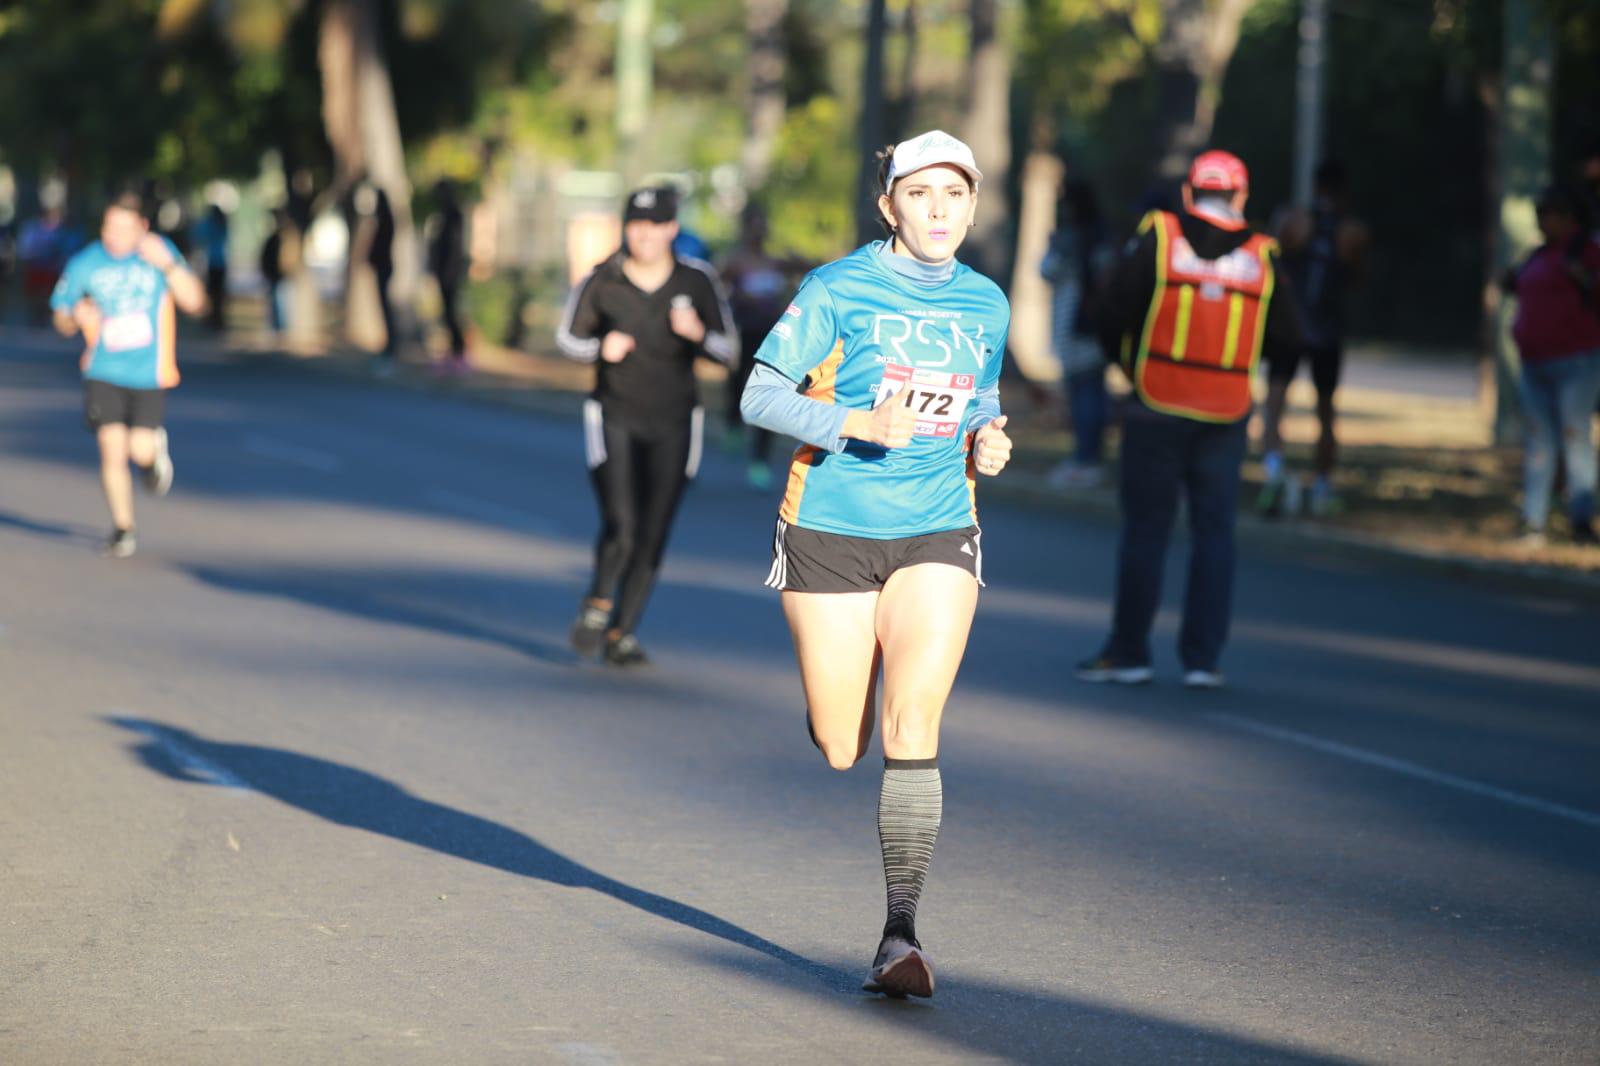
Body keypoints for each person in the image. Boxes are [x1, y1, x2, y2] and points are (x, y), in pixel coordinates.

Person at [740, 129, 1014, 999]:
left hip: (937, 527)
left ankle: (900, 936)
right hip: (828, 527)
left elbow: (983, 399)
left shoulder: (987, 303)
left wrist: (989, 439)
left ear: (973, 205)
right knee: (838, 742)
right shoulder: (836, 288)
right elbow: (759, 392)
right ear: (888, 203)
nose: (939, 211)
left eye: (956, 195)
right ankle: (847, 684)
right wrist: (854, 424)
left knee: (914, 727)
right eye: (921, 194)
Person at [1076, 150, 1301, 689]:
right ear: (1242, 198)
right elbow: (1290, 340)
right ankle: (1204, 660)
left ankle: (1129, 653)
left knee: (1146, 533)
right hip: (1226, 412)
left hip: (1156, 403)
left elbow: (1111, 310)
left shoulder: (1162, 235)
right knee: (1214, 535)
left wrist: (1129, 369)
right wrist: (1268, 400)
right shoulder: (1264, 254)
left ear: (1188, 194)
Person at [556, 186, 738, 665]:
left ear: (672, 230)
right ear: (626, 228)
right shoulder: (604, 279)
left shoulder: (696, 281)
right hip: (613, 414)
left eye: (656, 225)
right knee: (622, 524)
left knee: (654, 531)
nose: (646, 234)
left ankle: (622, 633)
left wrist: (696, 333)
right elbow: (568, 338)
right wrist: (601, 349)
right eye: (637, 224)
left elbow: (729, 350)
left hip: (676, 420)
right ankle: (598, 600)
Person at [50, 193, 207, 557]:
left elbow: (196, 303)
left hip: (150, 372)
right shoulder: (86, 263)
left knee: (138, 447)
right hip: (103, 369)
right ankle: (124, 527)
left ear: (143, 228)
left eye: (124, 227)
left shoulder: (158, 255)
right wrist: (76, 317)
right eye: (109, 226)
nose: (115, 235)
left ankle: (152, 457)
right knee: (111, 447)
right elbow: (60, 315)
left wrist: (169, 266)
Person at [1258, 160, 1369, 517]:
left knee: (1274, 403)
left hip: (1288, 329)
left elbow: (1269, 265)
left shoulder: (1291, 220)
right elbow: (1356, 280)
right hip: (1326, 332)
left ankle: (1274, 473)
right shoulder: (1351, 231)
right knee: (1325, 411)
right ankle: (1321, 486)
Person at [1503, 185, 1600, 547]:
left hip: (1577, 362)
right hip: (1535, 363)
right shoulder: (1538, 255)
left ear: (1568, 218)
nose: (1543, 220)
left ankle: (1581, 519)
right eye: (1540, 213)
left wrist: (1584, 278)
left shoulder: (1586, 252)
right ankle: (1534, 520)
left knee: (1576, 439)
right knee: (1540, 443)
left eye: (1549, 213)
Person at [1041, 177, 1113, 489]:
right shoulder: (1103, 237)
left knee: (1084, 394)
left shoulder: (1070, 239)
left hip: (1076, 325)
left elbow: (1046, 270)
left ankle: (1086, 459)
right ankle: (1090, 456)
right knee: (1092, 392)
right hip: (1098, 326)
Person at [720, 203, 798, 490]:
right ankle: (733, 423)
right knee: (739, 377)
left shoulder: (774, 261)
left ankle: (760, 459)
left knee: (771, 389)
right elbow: (719, 289)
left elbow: (810, 266)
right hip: (744, 330)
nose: (758, 232)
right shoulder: (736, 261)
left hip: (772, 333)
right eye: (753, 225)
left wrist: (795, 259)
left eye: (761, 225)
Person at [427, 179, 469, 372]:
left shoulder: (454, 216)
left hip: (449, 273)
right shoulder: (445, 216)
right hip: (445, 272)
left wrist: (448, 272)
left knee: (451, 313)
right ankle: (453, 350)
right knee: (446, 313)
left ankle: (458, 351)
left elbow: (453, 247)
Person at [194, 203, 230, 331]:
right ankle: (216, 319)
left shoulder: (212, 225)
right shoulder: (223, 225)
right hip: (219, 263)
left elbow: (198, 236)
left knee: (212, 294)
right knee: (218, 294)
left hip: (212, 263)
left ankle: (213, 319)